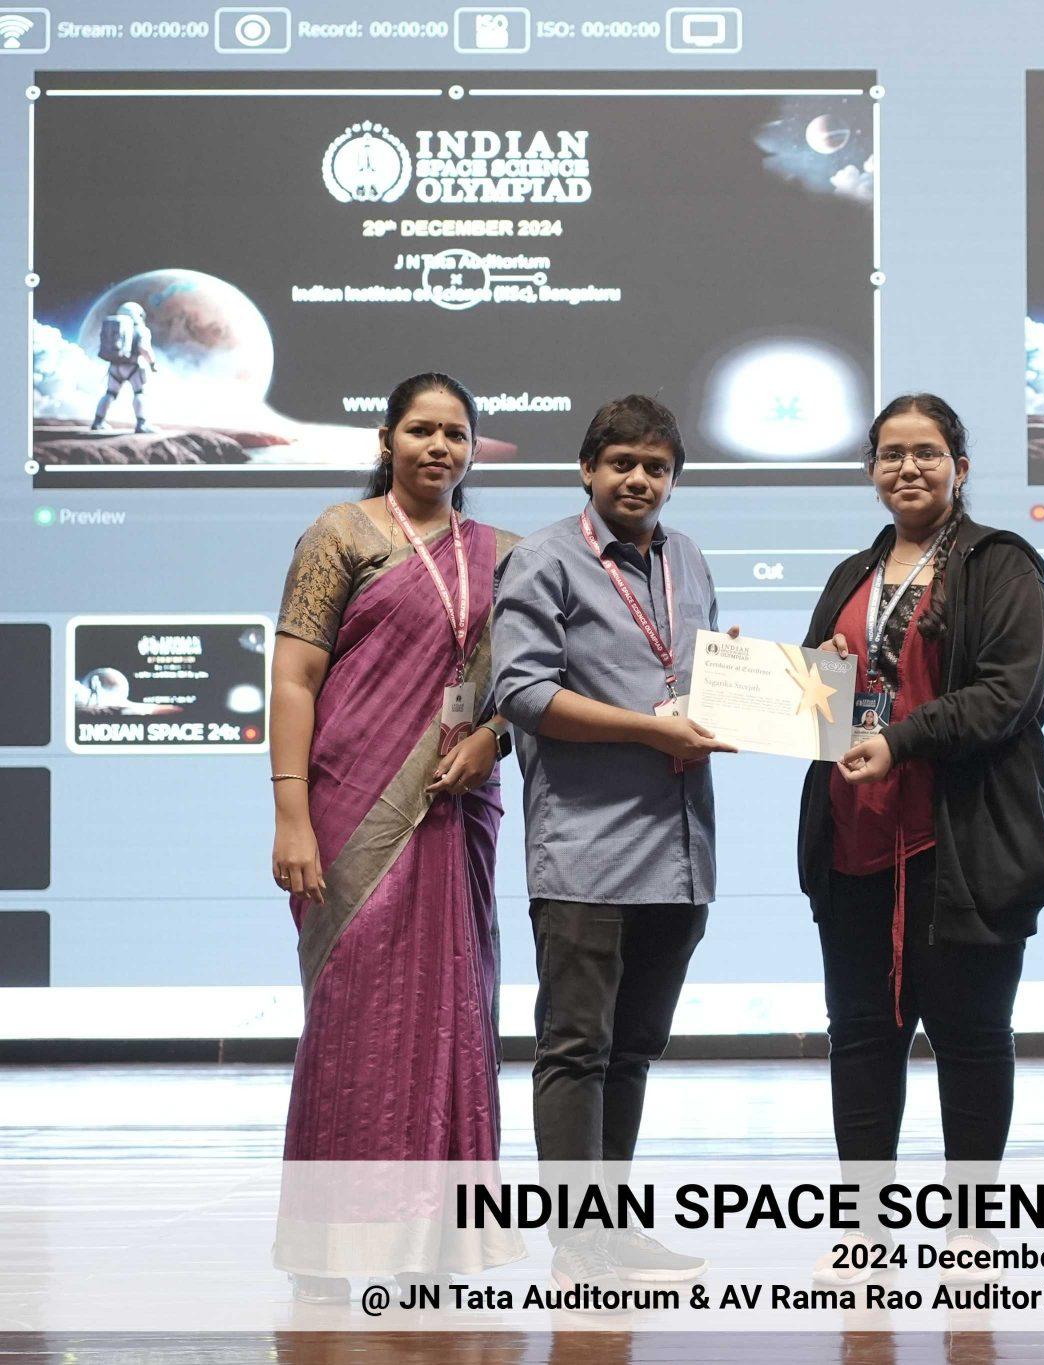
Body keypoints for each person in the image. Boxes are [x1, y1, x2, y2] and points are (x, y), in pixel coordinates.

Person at [268, 372, 523, 1302]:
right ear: (387, 440)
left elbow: (530, 684)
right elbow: (295, 678)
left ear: (473, 449)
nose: (438, 447)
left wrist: (494, 738)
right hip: (349, 806)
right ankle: (330, 1243)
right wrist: (290, 813)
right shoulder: (341, 534)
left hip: (456, 809)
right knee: (352, 1017)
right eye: (421, 430)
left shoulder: (505, 554)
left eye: (456, 433)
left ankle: (436, 1245)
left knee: (451, 1011)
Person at [797, 393, 1044, 1284]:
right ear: (871, 469)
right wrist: (778, 679)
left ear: (960, 466)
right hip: (855, 842)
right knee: (860, 1037)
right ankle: (865, 1230)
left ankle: (973, 1237)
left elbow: (1008, 694)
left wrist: (901, 739)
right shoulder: (853, 573)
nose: (908, 467)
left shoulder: (1001, 564)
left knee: (972, 1037)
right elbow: (818, 709)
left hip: (963, 847)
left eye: (927, 452)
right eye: (891, 453)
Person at [492, 395, 734, 1295]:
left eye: (656, 467)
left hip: (680, 850)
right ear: (588, 468)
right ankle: (575, 1245)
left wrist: (734, 680)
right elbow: (523, 693)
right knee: (577, 1050)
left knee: (633, 1051)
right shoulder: (544, 559)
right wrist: (648, 728)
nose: (639, 479)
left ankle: (611, 1227)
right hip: (587, 853)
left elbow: (687, 675)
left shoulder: (689, 557)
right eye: (623, 462)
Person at [92, 301, 156, 433]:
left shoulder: (116, 327)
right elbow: (144, 349)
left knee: (110, 394)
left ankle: (98, 422)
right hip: (133, 367)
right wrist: (152, 363)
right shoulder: (142, 330)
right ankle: (142, 424)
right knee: (139, 393)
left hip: (115, 367)